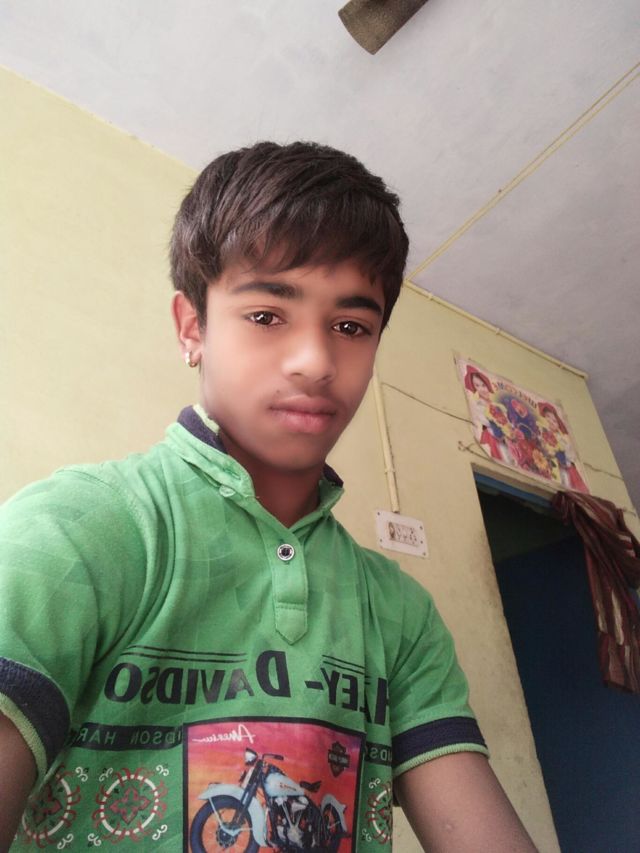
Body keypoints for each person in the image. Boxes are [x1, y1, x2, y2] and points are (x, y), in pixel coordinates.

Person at [0, 141, 537, 851]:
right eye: (266, 315)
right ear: (192, 327)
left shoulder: (400, 614)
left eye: (351, 327)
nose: (316, 361)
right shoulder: (79, 528)